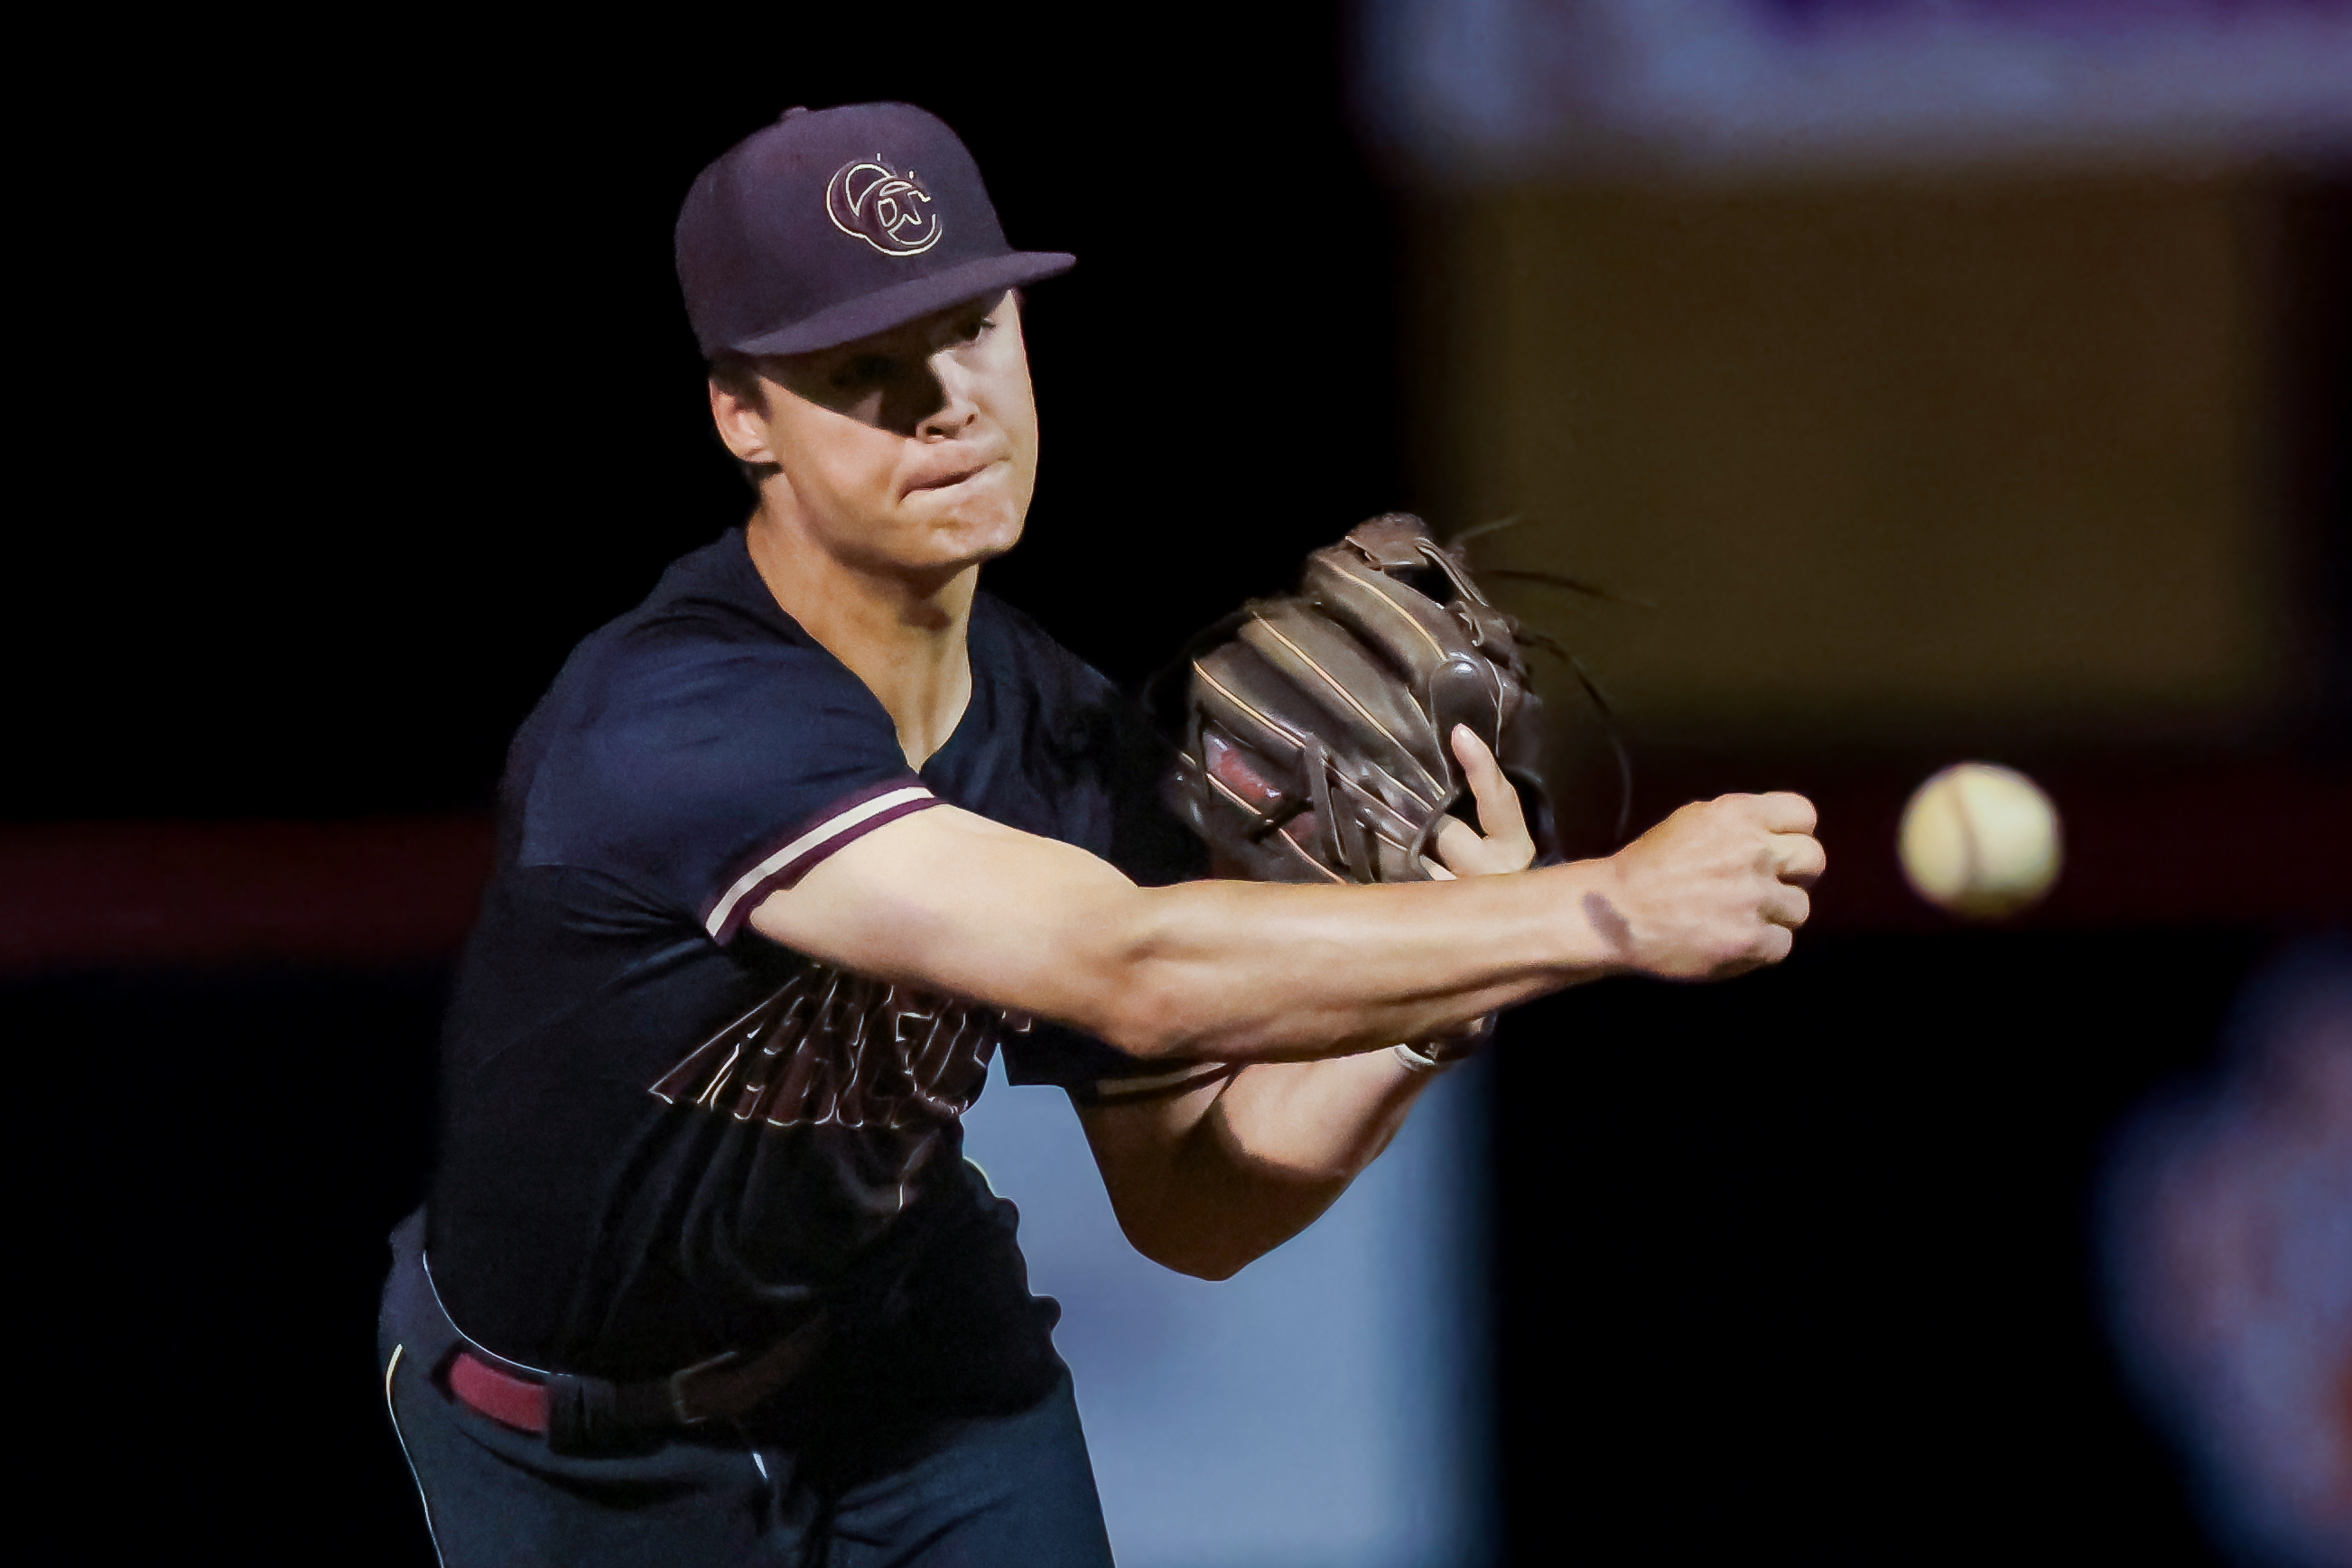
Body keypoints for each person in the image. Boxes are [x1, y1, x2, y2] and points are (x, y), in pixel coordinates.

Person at [377, 101, 1824, 1567]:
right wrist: (1600, 911)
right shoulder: (677, 720)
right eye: (860, 370)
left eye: (973, 328)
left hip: (910, 1361)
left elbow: (1195, 1203)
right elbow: (1121, 962)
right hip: (574, 1447)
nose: (947, 399)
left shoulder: (1057, 729)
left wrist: (1454, 990)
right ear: (741, 416)